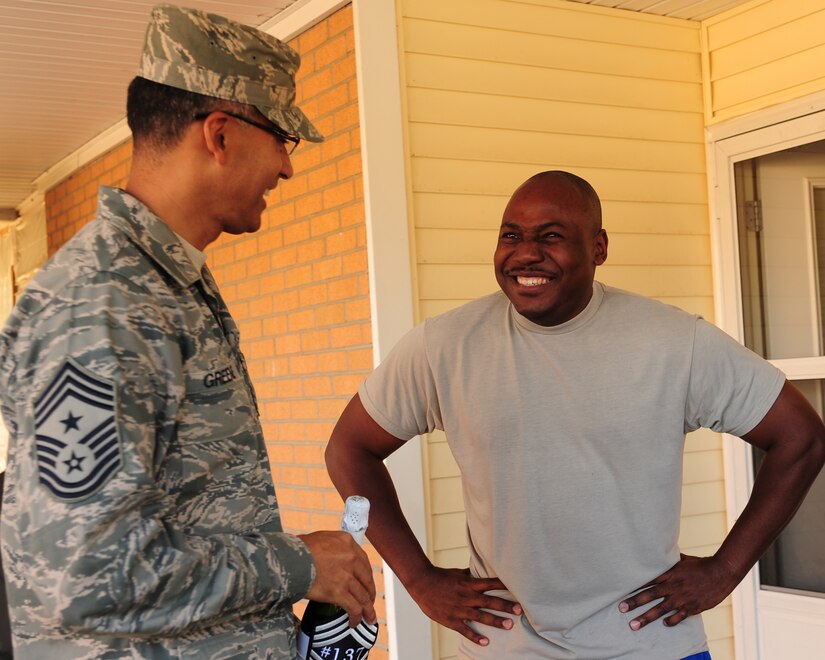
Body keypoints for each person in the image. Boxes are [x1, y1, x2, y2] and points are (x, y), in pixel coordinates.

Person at [0, 4, 375, 658]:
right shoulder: (104, 305)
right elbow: (87, 574)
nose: (287, 168)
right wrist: (299, 565)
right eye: (282, 138)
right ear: (220, 135)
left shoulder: (164, 283)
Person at [325, 170, 825, 659]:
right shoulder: (444, 346)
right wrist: (416, 577)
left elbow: (801, 437)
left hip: (647, 644)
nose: (525, 253)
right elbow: (349, 450)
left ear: (599, 248)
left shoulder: (673, 342)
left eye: (552, 236)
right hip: (502, 647)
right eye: (511, 236)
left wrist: (726, 570)